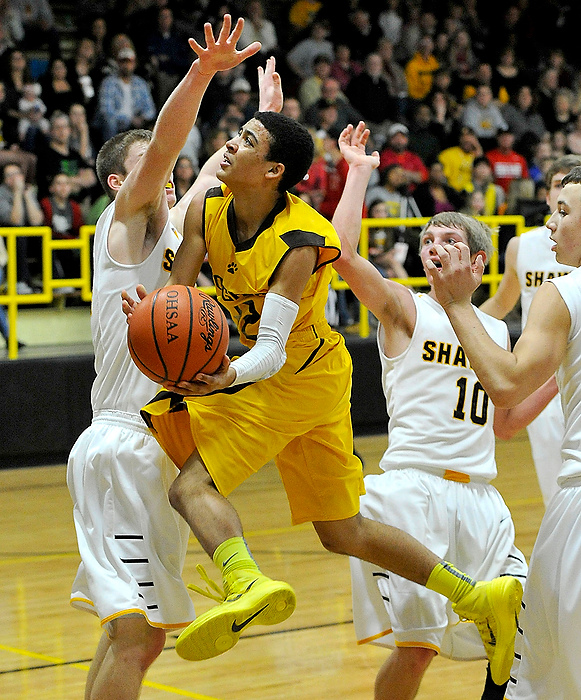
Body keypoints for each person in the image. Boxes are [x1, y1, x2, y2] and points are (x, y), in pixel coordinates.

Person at [123, 111, 523, 682]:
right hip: (315, 379)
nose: (229, 144)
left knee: (190, 486)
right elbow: (178, 294)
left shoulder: (301, 241)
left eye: (247, 141)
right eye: (234, 134)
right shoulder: (204, 208)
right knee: (343, 532)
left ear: (273, 171)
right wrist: (154, 318)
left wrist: (225, 376)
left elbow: (268, 353)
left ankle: (247, 582)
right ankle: (478, 597)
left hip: (291, 374)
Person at [66, 17, 262, 700]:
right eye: (157, 164)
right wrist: (202, 74)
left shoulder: (171, 233)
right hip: (124, 441)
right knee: (139, 636)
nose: (172, 170)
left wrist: (261, 118)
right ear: (125, 178)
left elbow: (210, 169)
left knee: (130, 633)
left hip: (143, 447)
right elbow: (173, 155)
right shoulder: (126, 220)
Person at [333, 122, 555, 700]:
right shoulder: (406, 308)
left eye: (449, 240)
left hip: (483, 496)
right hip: (415, 491)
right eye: (428, 239)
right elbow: (345, 255)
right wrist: (358, 172)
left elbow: (503, 421)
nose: (434, 246)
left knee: (525, 627)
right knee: (418, 651)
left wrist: (558, 378)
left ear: (478, 261)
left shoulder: (495, 331)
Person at [425, 164, 581, 700]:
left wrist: (453, 304)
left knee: (540, 668)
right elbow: (513, 412)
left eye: (564, 212)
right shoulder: (535, 265)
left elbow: (508, 385)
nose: (551, 224)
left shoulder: (563, 293)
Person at [479, 154, 581, 505]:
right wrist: (450, 324)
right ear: (548, 194)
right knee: (559, 482)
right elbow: (502, 302)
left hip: (566, 366)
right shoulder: (523, 245)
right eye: (557, 185)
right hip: (540, 373)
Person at [94, 46, 157, 142]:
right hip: (116, 123)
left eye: (129, 62)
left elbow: (150, 110)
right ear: (118, 63)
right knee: (110, 121)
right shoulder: (109, 82)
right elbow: (106, 110)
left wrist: (142, 118)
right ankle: (110, 154)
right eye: (123, 62)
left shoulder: (140, 83)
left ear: (134, 64)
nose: (126, 65)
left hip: (135, 124)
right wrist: (129, 119)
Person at [0, 161, 42, 294]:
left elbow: (37, 221)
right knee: (18, 236)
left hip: (26, 236)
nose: (16, 178)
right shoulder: (1, 193)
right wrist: (18, 193)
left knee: (43, 236)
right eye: (10, 175)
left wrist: (27, 196)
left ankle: (53, 280)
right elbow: (15, 221)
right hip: (7, 238)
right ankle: (19, 281)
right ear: (5, 180)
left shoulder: (29, 190)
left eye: (18, 174)